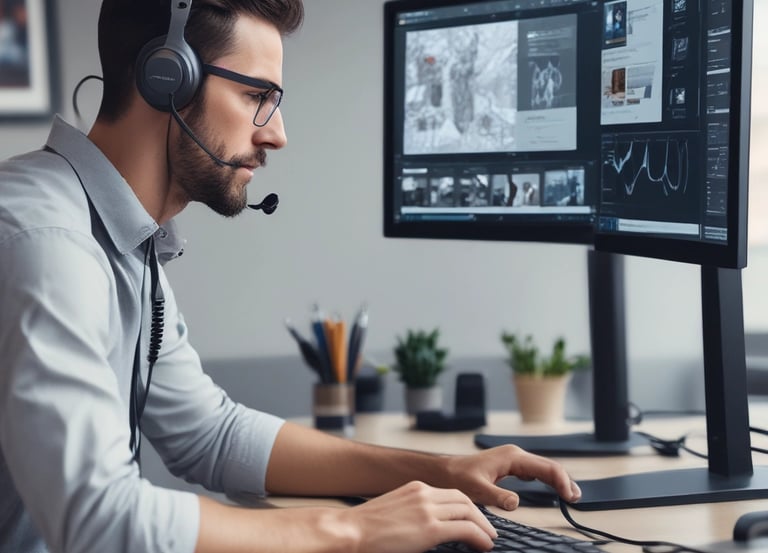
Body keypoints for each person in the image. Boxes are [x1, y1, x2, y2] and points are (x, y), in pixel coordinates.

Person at [0, 1, 582, 552]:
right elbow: (99, 520)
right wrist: (353, 531)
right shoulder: (47, 241)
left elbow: (211, 434)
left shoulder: (120, 240)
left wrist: (439, 473)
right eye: (258, 95)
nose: (278, 133)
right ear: (166, 79)